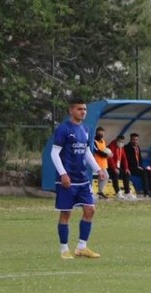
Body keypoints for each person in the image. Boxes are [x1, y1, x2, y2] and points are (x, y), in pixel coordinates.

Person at [50, 98, 105, 260]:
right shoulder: (63, 129)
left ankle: (82, 247)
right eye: (80, 109)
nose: (83, 112)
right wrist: (63, 173)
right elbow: (54, 153)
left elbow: (87, 152)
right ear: (71, 111)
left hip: (83, 179)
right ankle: (64, 249)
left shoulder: (86, 129)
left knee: (90, 209)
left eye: (85, 109)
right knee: (66, 214)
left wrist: (97, 169)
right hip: (68, 180)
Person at [124, 133, 151, 198]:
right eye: (133, 139)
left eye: (136, 140)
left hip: (138, 167)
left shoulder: (137, 148)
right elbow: (127, 159)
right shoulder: (127, 148)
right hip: (130, 168)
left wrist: (140, 166)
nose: (135, 141)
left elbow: (140, 159)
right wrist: (137, 166)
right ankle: (146, 193)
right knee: (144, 173)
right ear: (130, 140)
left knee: (150, 172)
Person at [107, 135, 136, 200]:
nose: (121, 143)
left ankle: (127, 192)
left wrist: (126, 168)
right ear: (116, 140)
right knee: (115, 174)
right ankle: (118, 193)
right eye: (119, 141)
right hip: (110, 167)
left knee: (126, 173)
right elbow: (110, 159)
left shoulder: (121, 147)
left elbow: (124, 158)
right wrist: (114, 168)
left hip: (117, 167)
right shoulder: (111, 146)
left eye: (122, 142)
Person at [92, 126, 112, 199]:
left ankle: (100, 192)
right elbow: (97, 151)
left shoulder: (103, 141)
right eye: (99, 133)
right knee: (105, 176)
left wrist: (109, 154)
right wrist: (107, 155)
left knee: (104, 176)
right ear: (96, 133)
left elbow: (104, 149)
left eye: (102, 134)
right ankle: (97, 192)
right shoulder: (94, 141)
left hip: (103, 163)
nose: (101, 135)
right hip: (96, 162)